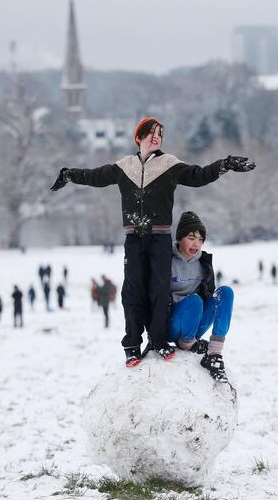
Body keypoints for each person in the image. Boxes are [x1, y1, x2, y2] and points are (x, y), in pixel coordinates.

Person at [50, 117, 255, 366]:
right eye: (151, 133)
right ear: (139, 138)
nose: (156, 137)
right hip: (134, 239)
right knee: (132, 290)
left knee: (159, 290)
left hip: (160, 238)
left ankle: (157, 341)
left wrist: (225, 164)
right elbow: (95, 176)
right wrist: (69, 174)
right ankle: (132, 345)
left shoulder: (169, 164)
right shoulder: (124, 167)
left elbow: (198, 175)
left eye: (160, 133)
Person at [166, 211, 234, 382]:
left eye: (200, 239)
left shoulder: (203, 263)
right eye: (191, 237)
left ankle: (214, 353)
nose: (196, 243)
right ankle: (186, 343)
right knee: (194, 300)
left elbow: (209, 294)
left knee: (225, 292)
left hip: (195, 321)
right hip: (172, 324)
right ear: (180, 238)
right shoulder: (166, 259)